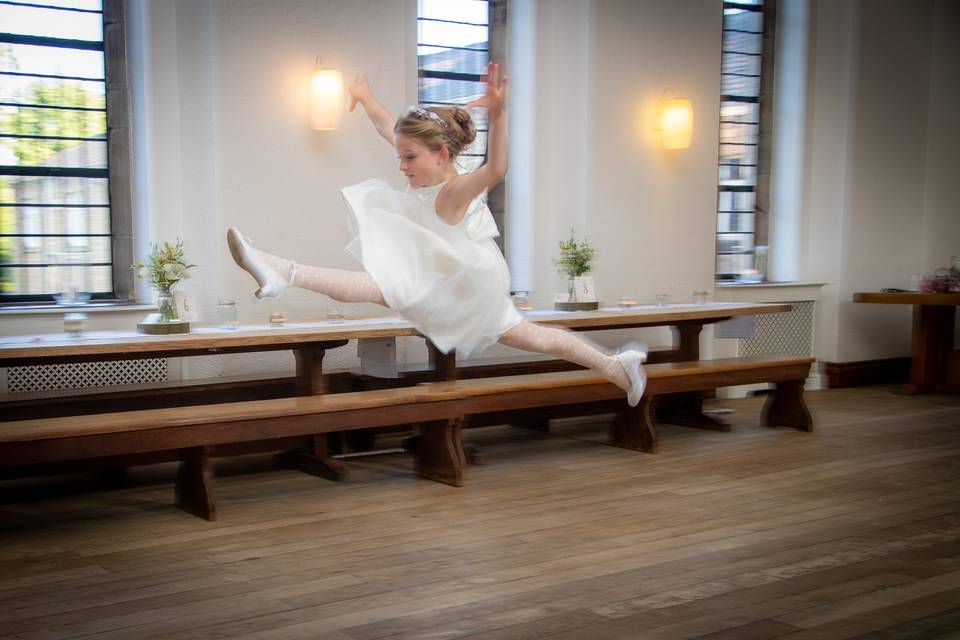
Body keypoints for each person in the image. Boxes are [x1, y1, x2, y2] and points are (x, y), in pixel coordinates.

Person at [227, 63, 648, 406]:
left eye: (409, 158)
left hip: (464, 280)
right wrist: (365, 97)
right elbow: (385, 125)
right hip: (458, 274)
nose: (401, 166)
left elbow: (496, 170)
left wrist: (499, 115)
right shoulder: (430, 173)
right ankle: (615, 366)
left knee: (381, 286)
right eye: (400, 156)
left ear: (442, 155)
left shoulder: (453, 192)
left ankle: (282, 270)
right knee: (534, 336)